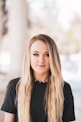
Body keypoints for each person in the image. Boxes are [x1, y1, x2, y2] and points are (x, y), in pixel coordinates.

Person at [1, 34, 75, 122]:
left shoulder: (64, 88)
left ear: (53, 58)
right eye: (35, 54)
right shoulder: (15, 86)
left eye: (47, 54)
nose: (41, 60)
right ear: (29, 57)